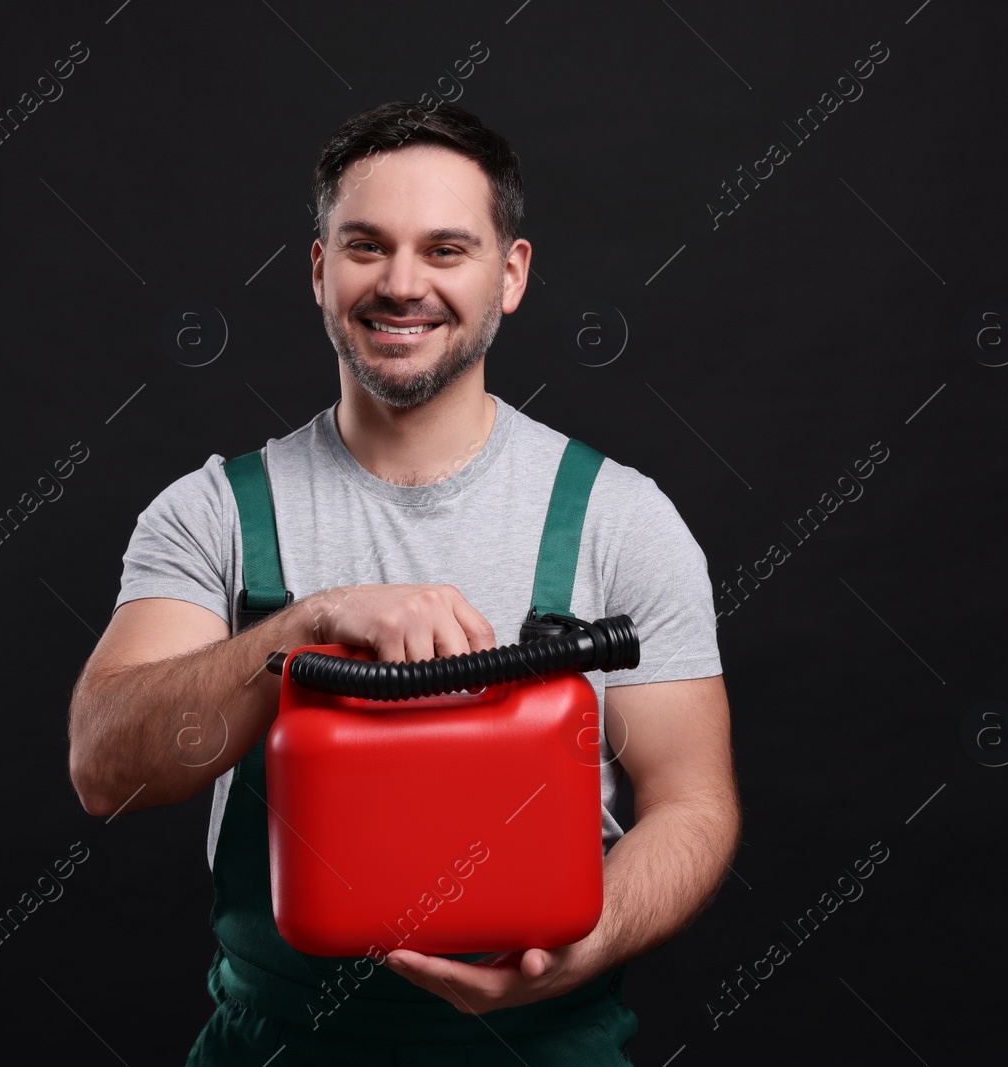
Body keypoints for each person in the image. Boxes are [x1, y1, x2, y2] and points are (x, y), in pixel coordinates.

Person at [67, 100, 740, 1065]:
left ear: (510, 276)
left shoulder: (618, 518)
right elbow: (105, 767)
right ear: (319, 270)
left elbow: (694, 803)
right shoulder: (213, 513)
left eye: (446, 249)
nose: (401, 284)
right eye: (367, 246)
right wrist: (307, 625)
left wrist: (583, 944)